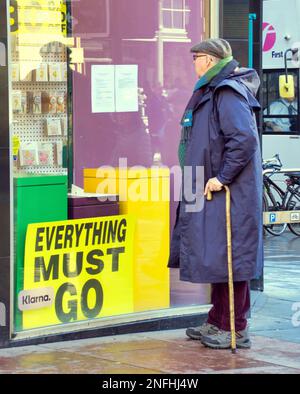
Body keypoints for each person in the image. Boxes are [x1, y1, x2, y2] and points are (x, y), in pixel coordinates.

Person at [168, 38, 263, 349]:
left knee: (233, 259)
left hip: (230, 193)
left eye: (196, 58)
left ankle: (235, 326)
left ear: (208, 61)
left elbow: (244, 140)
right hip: (213, 188)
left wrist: (222, 177)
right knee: (218, 256)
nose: (193, 64)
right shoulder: (213, 90)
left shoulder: (227, 93)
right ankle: (217, 319)